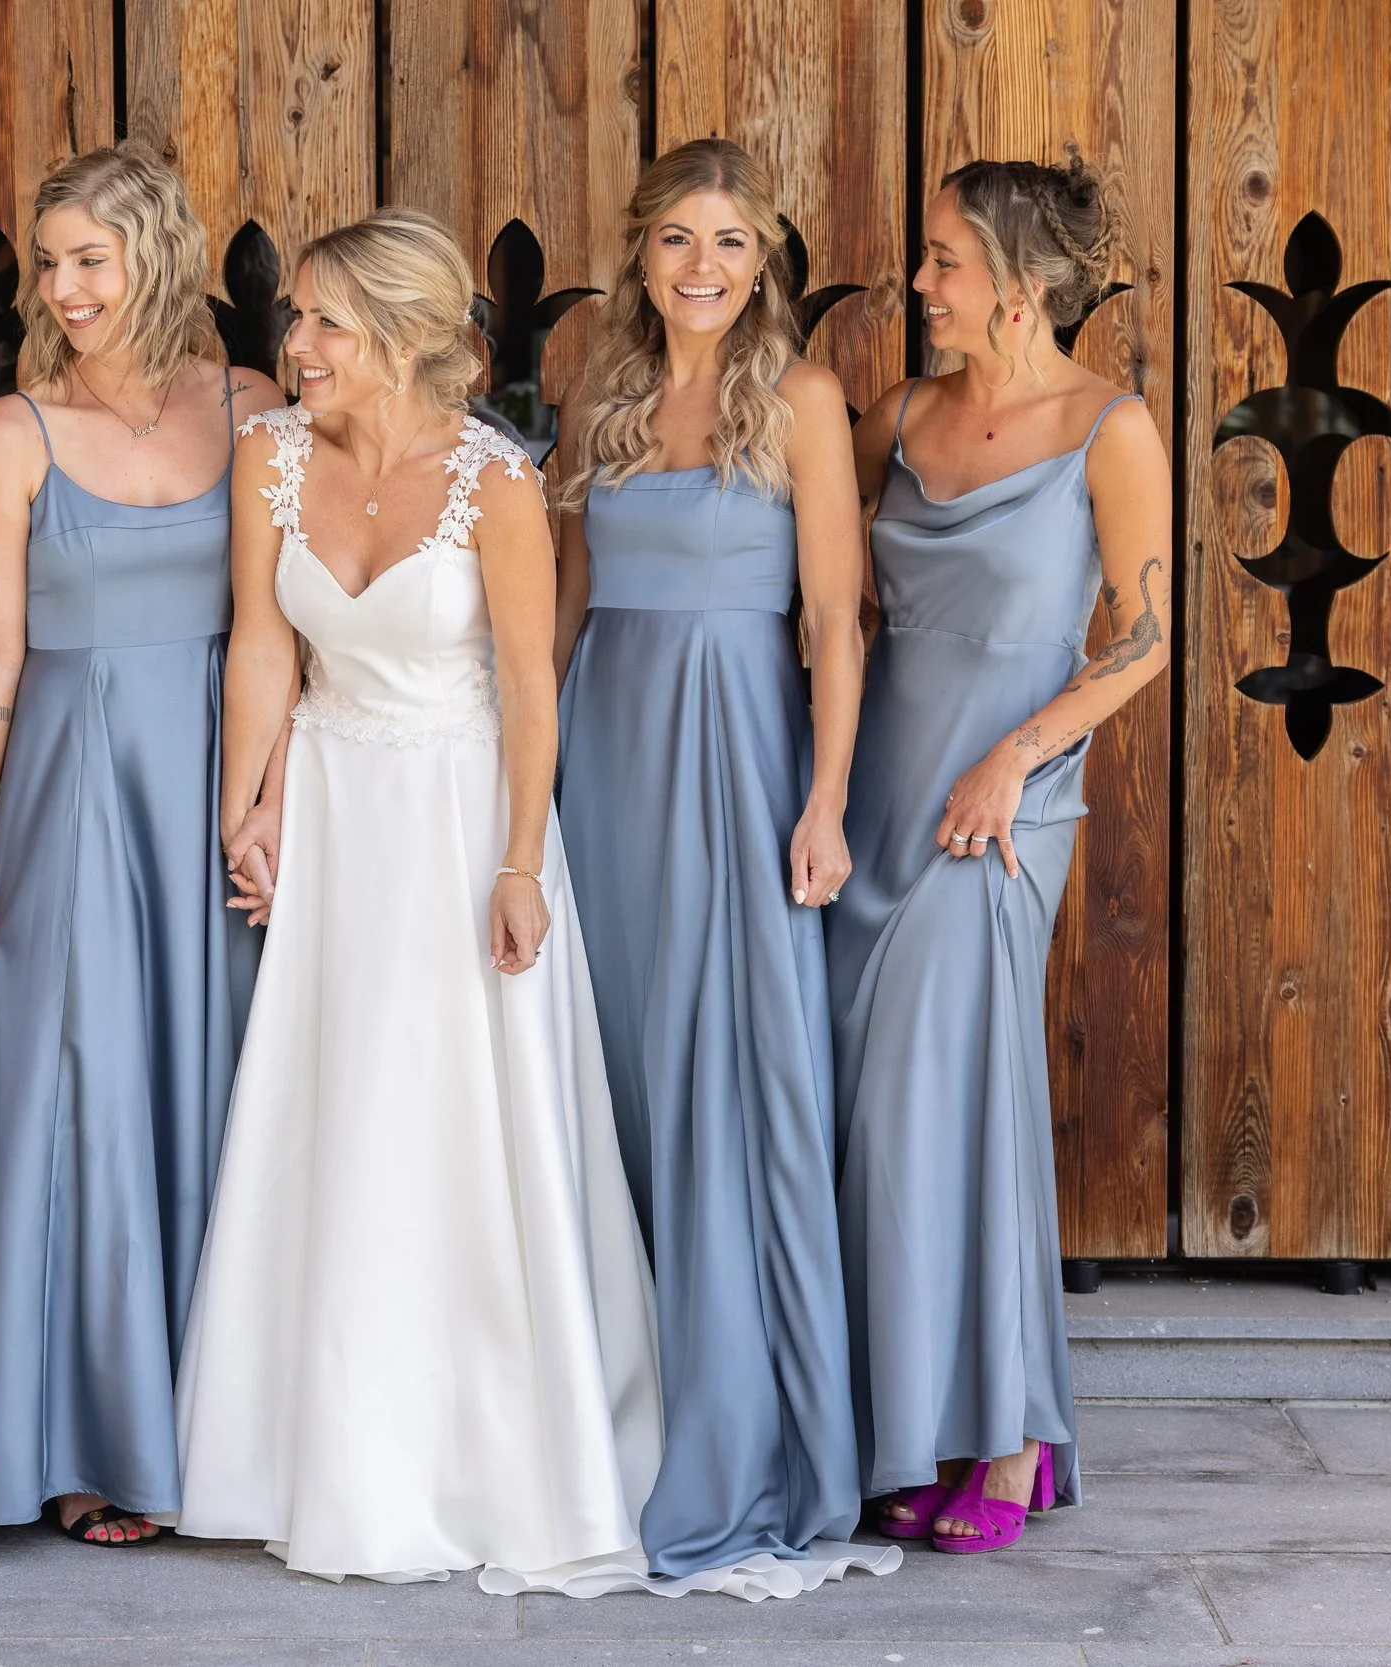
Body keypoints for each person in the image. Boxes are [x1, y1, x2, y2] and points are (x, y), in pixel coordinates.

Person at [168, 209, 661, 1593]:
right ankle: (308, 1445)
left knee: (456, 1116)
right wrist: (247, 805)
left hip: (458, 821)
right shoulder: (267, 459)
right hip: (334, 814)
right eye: (299, 320)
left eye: (323, 322)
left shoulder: (495, 483)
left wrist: (519, 861)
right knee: (337, 1118)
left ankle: (494, 1446)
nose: (295, 346)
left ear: (398, 336)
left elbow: (525, 683)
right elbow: (263, 644)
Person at [553, 137, 890, 1596]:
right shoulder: (603, 393)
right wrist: (529, 793)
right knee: (619, 1064)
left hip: (744, 752)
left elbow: (837, 618)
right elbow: (561, 603)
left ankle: (751, 1433)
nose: (703, 267)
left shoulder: (803, 399)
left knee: (732, 1075)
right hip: (608, 754)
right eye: (679, 239)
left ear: (768, 262)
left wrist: (824, 801)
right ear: (640, 252)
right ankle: (617, 1416)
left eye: (732, 243)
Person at [0, 147, 283, 1547]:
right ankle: (86, 1435)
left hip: (214, 776)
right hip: (73, 787)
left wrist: (273, 797)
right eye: (49, 262)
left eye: (92, 257)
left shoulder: (256, 408)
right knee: (79, 1091)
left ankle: (219, 1424)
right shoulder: (13, 433)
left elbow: (295, 621)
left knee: (215, 1078)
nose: (65, 288)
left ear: (156, 254)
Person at [832, 158, 1170, 1555]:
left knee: (957, 1103)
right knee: (877, 1120)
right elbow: (834, 596)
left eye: (944, 260)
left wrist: (1013, 758)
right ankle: (912, 1425)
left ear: (1023, 281)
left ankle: (1016, 1426)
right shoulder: (904, 413)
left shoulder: (1111, 430)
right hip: (874, 799)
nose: (921, 283)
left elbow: (1147, 644)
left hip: (998, 808)